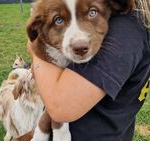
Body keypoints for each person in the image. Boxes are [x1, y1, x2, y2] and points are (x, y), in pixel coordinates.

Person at [27, 0, 150, 140]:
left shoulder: (125, 30)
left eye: (92, 12)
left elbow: (60, 107)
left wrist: (35, 48)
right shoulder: (135, 20)